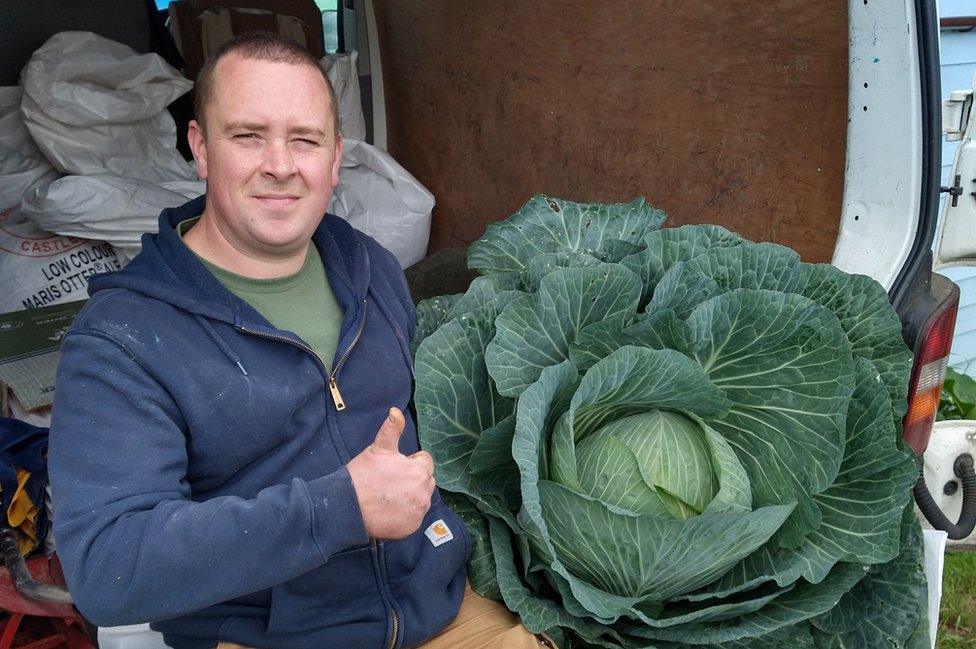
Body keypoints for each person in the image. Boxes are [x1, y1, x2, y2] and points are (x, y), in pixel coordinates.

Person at [48, 32, 552, 649]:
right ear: (200, 148)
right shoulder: (123, 340)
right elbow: (107, 568)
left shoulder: (373, 270)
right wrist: (340, 507)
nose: (281, 165)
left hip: (440, 612)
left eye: (305, 140)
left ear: (336, 157)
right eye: (248, 136)